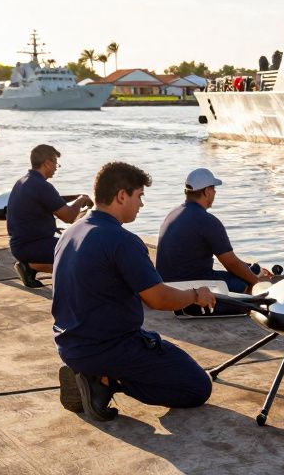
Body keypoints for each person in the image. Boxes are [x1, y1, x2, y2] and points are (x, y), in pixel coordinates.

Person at [52, 161, 218, 422]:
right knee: (197, 386)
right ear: (121, 195)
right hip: (110, 347)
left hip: (70, 345)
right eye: (139, 196)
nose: (142, 204)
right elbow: (159, 299)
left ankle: (94, 374)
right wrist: (196, 295)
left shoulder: (70, 231)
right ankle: (105, 381)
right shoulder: (122, 241)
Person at [156, 168, 272, 294]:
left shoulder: (172, 214)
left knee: (244, 273)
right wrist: (257, 282)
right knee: (244, 283)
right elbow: (231, 263)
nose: (215, 192)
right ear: (207, 191)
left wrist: (248, 268)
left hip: (167, 285)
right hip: (191, 285)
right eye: (213, 189)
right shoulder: (207, 221)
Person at [7, 144, 93, 288]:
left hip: (21, 245)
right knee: (86, 255)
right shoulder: (41, 186)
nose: (56, 168)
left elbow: (54, 200)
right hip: (33, 246)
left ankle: (29, 266)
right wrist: (81, 200)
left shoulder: (24, 181)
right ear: (47, 163)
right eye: (55, 163)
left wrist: (76, 198)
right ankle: (31, 265)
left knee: (74, 253)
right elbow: (69, 217)